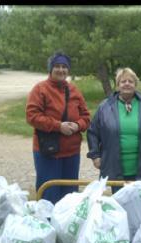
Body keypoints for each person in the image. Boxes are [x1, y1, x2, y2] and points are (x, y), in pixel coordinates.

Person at [87, 67, 141, 194]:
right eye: (123, 81)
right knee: (119, 203)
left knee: (140, 205)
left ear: (135, 85)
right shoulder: (105, 107)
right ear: (117, 85)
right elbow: (92, 132)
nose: (127, 84)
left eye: (131, 81)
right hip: (115, 166)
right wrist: (95, 155)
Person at [26, 52, 91, 204]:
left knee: (69, 197)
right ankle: (47, 225)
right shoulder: (40, 89)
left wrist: (77, 125)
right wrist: (58, 126)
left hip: (71, 153)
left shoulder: (74, 91)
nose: (61, 70)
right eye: (57, 66)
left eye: (64, 67)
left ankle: (66, 226)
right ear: (50, 69)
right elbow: (32, 116)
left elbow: (86, 117)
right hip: (47, 152)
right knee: (49, 195)